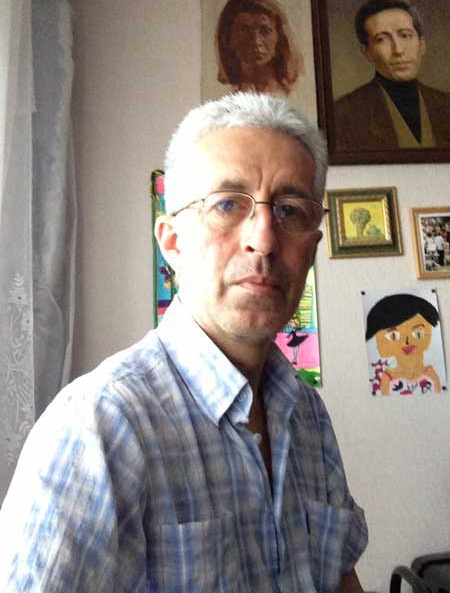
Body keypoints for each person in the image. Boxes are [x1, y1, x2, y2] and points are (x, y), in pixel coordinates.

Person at [0, 92, 368, 591]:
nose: (264, 239)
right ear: (172, 242)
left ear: (313, 247)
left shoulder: (308, 415)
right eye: (227, 204)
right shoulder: (100, 426)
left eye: (290, 210)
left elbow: (341, 576)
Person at [334, 0, 450, 150]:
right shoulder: (344, 114)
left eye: (405, 35)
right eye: (382, 39)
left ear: (421, 45)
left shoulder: (446, 104)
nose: (398, 50)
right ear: (367, 52)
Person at [215, 0, 302, 96]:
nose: (256, 41)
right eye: (244, 31)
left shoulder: (292, 96)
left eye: (265, 31)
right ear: (228, 39)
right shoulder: (223, 98)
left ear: (279, 38)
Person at [366, 293, 441, 395]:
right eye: (393, 336)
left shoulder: (432, 376)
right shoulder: (387, 380)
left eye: (418, 333)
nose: (407, 341)